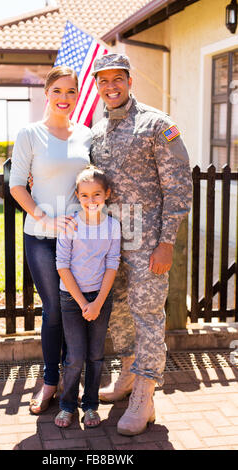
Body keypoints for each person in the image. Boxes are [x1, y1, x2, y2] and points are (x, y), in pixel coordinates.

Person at [90, 53, 192, 435]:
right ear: (97, 86)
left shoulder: (157, 124)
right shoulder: (98, 130)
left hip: (147, 239)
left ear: (130, 81)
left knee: (147, 315)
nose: (110, 86)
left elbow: (179, 186)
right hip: (111, 240)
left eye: (118, 78)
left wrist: (166, 242)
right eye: (103, 80)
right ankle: (129, 376)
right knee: (118, 312)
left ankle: (145, 395)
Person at [9, 66, 92, 415]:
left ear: (77, 95)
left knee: (76, 308)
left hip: (79, 240)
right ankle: (50, 381)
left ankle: (74, 381)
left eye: (71, 92)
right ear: (47, 93)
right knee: (54, 310)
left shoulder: (87, 135)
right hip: (42, 238)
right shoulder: (30, 134)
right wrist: (46, 217)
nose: (64, 98)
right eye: (57, 91)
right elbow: (17, 185)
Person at [54, 165, 121, 428]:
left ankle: (91, 406)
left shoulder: (112, 226)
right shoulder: (70, 225)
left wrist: (98, 303)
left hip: (101, 298)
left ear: (107, 194)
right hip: (72, 299)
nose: (90, 200)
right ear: (77, 196)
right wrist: (84, 303)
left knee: (95, 355)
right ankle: (68, 405)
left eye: (96, 194)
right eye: (84, 195)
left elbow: (112, 264)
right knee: (75, 356)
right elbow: (62, 265)